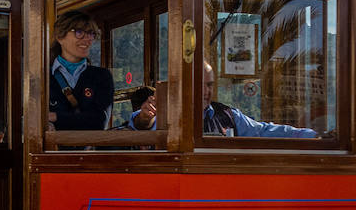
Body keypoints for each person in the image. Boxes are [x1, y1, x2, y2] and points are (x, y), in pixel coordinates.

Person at [132, 63, 317, 138]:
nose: (206, 91)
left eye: (210, 84)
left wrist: (310, 135)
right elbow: (140, 124)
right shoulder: (164, 115)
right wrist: (145, 118)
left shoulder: (227, 115)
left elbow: (263, 131)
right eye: (200, 84)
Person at [48, 10, 114, 131]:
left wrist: (55, 117)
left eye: (91, 33)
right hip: (51, 149)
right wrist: (81, 119)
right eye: (79, 32)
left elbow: (99, 122)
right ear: (59, 37)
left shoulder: (102, 76)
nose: (87, 39)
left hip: (87, 149)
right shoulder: (42, 77)